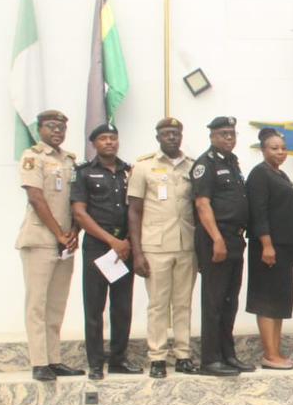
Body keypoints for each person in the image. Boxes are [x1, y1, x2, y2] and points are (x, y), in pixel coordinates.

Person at [15, 109, 84, 382]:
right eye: (51, 127)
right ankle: (39, 362)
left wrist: (73, 233)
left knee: (56, 303)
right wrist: (58, 233)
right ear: (39, 129)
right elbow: (36, 198)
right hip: (41, 239)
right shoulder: (33, 157)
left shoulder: (69, 160)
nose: (57, 131)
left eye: (61, 128)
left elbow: (76, 202)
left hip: (65, 241)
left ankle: (54, 359)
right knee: (37, 304)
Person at [127, 117, 197, 379]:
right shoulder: (144, 167)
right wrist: (137, 252)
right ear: (158, 137)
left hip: (186, 245)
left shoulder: (192, 166)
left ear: (181, 135)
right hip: (155, 246)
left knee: (183, 304)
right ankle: (157, 356)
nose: (172, 137)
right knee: (157, 304)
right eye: (166, 133)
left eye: (176, 133)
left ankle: (183, 354)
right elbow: (134, 211)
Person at [71, 122, 138, 380]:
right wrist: (112, 242)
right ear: (94, 144)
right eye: (103, 139)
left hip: (126, 246)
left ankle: (119, 359)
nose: (109, 142)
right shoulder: (85, 173)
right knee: (95, 307)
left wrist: (127, 242)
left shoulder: (129, 172)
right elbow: (79, 213)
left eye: (113, 137)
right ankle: (96, 363)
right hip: (99, 247)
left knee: (122, 307)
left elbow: (136, 209)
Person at [191, 116, 253, 377]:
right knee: (214, 301)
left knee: (230, 301)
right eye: (224, 134)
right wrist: (216, 239)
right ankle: (210, 359)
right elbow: (202, 205)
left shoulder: (232, 162)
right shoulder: (205, 164)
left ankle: (228, 355)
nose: (229, 138)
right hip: (216, 239)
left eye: (232, 134)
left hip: (236, 240)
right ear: (212, 136)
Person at [245, 128, 293, 369]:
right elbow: (258, 212)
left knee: (280, 302)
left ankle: (277, 353)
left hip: (286, 248)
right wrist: (267, 244)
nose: (280, 152)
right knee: (267, 301)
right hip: (268, 249)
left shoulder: (282, 176)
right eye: (274, 148)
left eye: (283, 148)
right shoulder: (259, 175)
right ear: (263, 150)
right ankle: (269, 354)